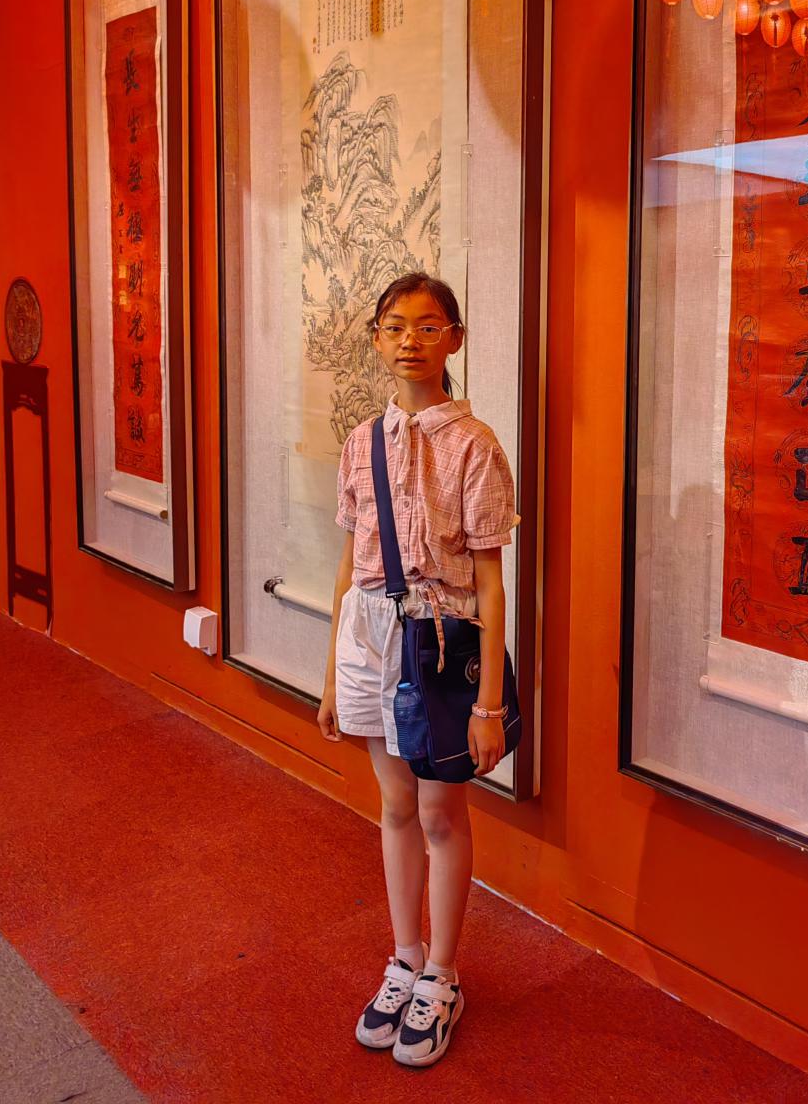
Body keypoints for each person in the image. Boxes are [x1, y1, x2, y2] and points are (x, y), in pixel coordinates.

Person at [317, 271, 516, 1068]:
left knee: (440, 814)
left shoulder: (475, 444)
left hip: (439, 638)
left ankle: (442, 975)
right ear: (376, 338)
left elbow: (492, 582)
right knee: (395, 805)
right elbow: (348, 562)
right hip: (366, 633)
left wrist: (489, 705)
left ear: (454, 339)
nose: (411, 340)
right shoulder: (361, 440)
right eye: (395, 326)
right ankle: (403, 958)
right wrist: (331, 673)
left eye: (429, 326)